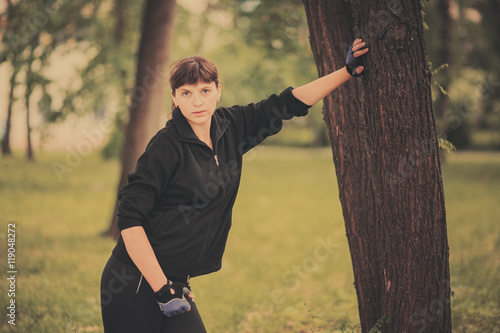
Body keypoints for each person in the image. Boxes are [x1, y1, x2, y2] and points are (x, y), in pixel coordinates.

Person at [100, 38, 369, 333]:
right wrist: (162, 288)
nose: (197, 101)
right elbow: (129, 219)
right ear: (174, 98)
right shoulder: (165, 147)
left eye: (204, 90)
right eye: (186, 93)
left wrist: (346, 71)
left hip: (174, 281)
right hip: (134, 281)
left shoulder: (231, 126)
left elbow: (286, 104)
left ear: (218, 91)